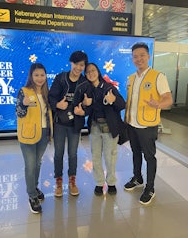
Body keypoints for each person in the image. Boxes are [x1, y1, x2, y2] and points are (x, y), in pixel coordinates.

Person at [124, 42, 173, 205]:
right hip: (132, 124)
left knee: (149, 156)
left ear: (148, 56)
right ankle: (137, 178)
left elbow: (168, 98)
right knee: (135, 153)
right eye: (135, 56)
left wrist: (158, 104)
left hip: (147, 125)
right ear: (132, 59)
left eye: (142, 55)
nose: (139, 59)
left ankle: (150, 187)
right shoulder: (130, 79)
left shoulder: (158, 76)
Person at [48, 51, 92, 197]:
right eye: (76, 64)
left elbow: (89, 104)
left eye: (82, 65)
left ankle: (72, 181)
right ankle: (58, 182)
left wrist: (84, 108)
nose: (78, 68)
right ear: (71, 63)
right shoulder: (61, 78)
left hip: (75, 125)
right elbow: (51, 97)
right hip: (60, 123)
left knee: (73, 154)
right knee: (58, 154)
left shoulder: (85, 83)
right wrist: (56, 105)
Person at [16, 63, 53, 214]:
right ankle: (32, 196)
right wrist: (23, 105)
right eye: (36, 75)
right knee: (30, 165)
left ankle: (34, 187)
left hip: (43, 134)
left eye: (42, 75)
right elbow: (19, 112)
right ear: (31, 76)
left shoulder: (47, 93)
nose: (39, 78)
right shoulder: (24, 91)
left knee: (37, 163)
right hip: (28, 135)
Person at [85, 63, 126, 196]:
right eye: (88, 72)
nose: (91, 73)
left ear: (98, 72)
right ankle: (99, 183)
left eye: (93, 70)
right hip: (95, 128)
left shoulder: (109, 87)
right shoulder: (87, 90)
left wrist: (113, 99)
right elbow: (86, 110)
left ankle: (111, 182)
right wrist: (85, 105)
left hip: (109, 128)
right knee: (95, 156)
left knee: (110, 157)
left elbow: (122, 104)